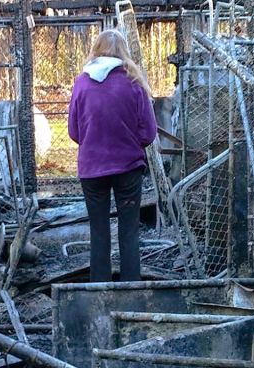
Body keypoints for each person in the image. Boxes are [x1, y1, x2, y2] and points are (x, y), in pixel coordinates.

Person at [67, 29, 157, 282]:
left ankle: (99, 289)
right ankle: (131, 291)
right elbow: (149, 133)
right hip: (128, 168)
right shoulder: (134, 82)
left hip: (92, 170)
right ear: (124, 52)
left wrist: (93, 142)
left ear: (96, 49)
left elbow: (74, 131)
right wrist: (129, 142)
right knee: (129, 231)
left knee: (99, 231)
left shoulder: (81, 82)